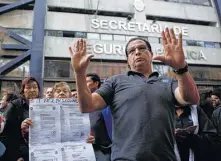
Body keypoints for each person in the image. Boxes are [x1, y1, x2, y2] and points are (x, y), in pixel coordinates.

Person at [69, 28, 200, 161]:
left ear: (151, 54)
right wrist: (79, 73)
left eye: (142, 48)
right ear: (127, 60)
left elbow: (191, 98)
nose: (137, 52)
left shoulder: (169, 83)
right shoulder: (115, 81)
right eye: (131, 51)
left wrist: (181, 68)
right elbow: (87, 106)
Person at [0, 77, 40, 161]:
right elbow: (5, 132)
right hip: (20, 152)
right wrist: (20, 127)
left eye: (35, 87)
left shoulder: (44, 105)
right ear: (23, 91)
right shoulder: (14, 106)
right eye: (28, 87)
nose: (32, 90)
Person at [86, 73, 112, 161]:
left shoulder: (106, 103)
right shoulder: (82, 104)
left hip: (104, 150)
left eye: (87, 82)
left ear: (96, 83)